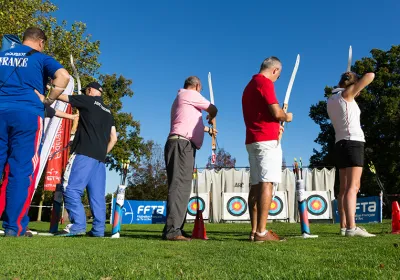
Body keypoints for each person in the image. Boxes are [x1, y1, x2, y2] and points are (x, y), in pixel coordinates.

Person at [0, 27, 70, 237]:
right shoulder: (41, 58)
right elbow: (63, 76)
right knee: (20, 171)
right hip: (27, 115)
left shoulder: (2, 54)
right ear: (41, 42)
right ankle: (14, 227)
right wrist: (49, 99)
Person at [55, 81, 117, 237]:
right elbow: (114, 138)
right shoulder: (109, 112)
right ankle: (98, 230)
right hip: (100, 159)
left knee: (70, 189)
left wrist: (50, 89)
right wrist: (102, 153)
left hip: (84, 153)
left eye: (85, 91)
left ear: (90, 90)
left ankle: (77, 225)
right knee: (97, 197)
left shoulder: (88, 100)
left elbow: (62, 97)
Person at [242, 57, 293, 242]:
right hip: (266, 140)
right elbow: (276, 112)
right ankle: (262, 232)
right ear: (274, 70)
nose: (276, 79)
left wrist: (274, 124)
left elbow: (261, 114)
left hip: (253, 139)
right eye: (277, 75)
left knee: (256, 184)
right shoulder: (264, 83)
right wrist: (286, 117)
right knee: (267, 183)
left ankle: (254, 231)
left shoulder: (250, 85)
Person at [163, 76, 217, 241]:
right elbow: (213, 108)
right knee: (179, 186)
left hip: (181, 143)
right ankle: (173, 231)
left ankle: (175, 228)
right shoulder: (190, 94)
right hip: (182, 144)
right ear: (198, 86)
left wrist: (208, 130)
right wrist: (211, 116)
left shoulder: (183, 98)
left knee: (181, 187)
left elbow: (190, 123)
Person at [327, 71, 375, 237]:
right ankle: (351, 228)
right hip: (353, 142)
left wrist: (349, 81)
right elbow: (370, 75)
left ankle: (344, 226)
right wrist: (354, 82)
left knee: (344, 188)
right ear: (352, 86)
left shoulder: (331, 98)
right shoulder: (346, 95)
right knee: (353, 187)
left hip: (340, 143)